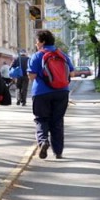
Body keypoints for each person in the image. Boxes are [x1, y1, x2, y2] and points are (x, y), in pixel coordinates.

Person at [27, 29, 77, 159]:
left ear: (42, 42)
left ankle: (43, 141)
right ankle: (58, 151)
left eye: (37, 41)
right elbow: (72, 74)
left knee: (41, 119)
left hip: (41, 92)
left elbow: (32, 76)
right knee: (57, 121)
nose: (36, 44)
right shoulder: (62, 55)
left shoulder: (37, 56)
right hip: (62, 92)